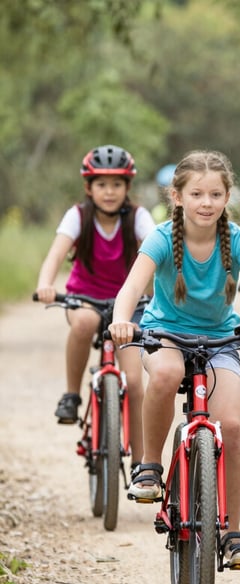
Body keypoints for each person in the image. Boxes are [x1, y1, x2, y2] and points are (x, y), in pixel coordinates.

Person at [107, 150, 240, 568]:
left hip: (220, 340)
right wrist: (122, 321)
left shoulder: (239, 239)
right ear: (177, 196)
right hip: (165, 333)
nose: (205, 202)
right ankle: (150, 465)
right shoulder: (160, 237)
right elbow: (131, 289)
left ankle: (232, 533)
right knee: (167, 372)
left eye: (215, 194)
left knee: (232, 424)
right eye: (196, 194)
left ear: (227, 197)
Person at [36, 144, 152, 467]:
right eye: (102, 184)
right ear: (89, 187)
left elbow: (160, 251)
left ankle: (143, 463)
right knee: (85, 324)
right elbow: (56, 254)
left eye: (117, 184)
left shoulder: (138, 218)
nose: (110, 192)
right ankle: (72, 395)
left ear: (128, 187)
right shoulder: (78, 216)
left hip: (128, 305)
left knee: (136, 380)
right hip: (84, 298)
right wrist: (45, 284)